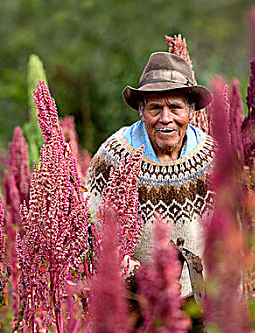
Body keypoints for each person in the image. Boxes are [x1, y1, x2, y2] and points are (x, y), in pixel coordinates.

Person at [86, 51, 215, 298]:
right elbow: (93, 227)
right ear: (141, 111)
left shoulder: (210, 156)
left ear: (191, 110)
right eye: (156, 108)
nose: (166, 119)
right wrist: (137, 276)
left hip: (199, 300)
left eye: (175, 108)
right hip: (135, 302)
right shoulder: (113, 155)